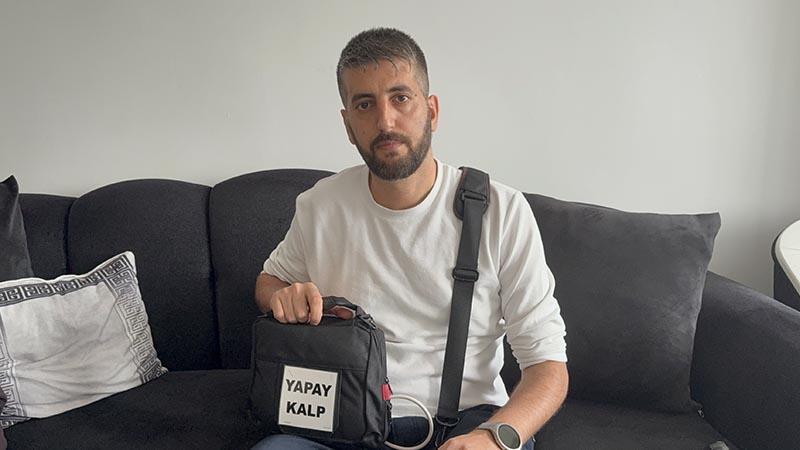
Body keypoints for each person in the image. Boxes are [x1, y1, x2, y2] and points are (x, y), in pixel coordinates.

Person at [251, 28, 568, 450]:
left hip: (469, 425)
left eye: (400, 98)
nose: (385, 121)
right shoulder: (320, 205)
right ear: (348, 125)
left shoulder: (502, 211)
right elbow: (269, 280)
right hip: (347, 423)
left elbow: (548, 366)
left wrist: (495, 437)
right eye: (365, 105)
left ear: (432, 111)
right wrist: (282, 296)